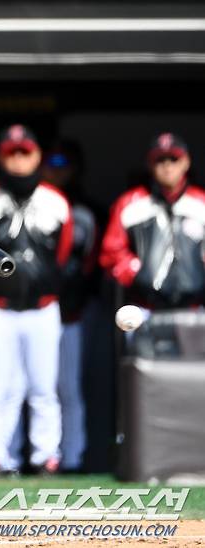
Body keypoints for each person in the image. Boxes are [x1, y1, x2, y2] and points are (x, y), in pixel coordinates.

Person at [0, 124, 73, 475]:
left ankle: (45, 456)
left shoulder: (56, 202)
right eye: (12, 153)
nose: (19, 160)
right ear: (0, 157)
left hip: (43, 307)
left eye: (25, 152)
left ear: (37, 155)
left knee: (43, 387)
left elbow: (64, 255)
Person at [100, 133, 205, 316]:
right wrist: (138, 273)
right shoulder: (130, 204)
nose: (167, 165)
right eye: (160, 159)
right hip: (145, 308)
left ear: (186, 162)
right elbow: (111, 252)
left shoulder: (201, 203)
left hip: (194, 308)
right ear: (149, 164)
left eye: (173, 158)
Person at [41, 141, 98, 472]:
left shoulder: (85, 211)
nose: (57, 169)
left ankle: (73, 456)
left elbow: (90, 265)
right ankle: (29, 459)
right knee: (32, 389)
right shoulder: (32, 203)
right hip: (35, 309)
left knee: (69, 388)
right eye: (52, 162)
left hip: (73, 312)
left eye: (64, 163)